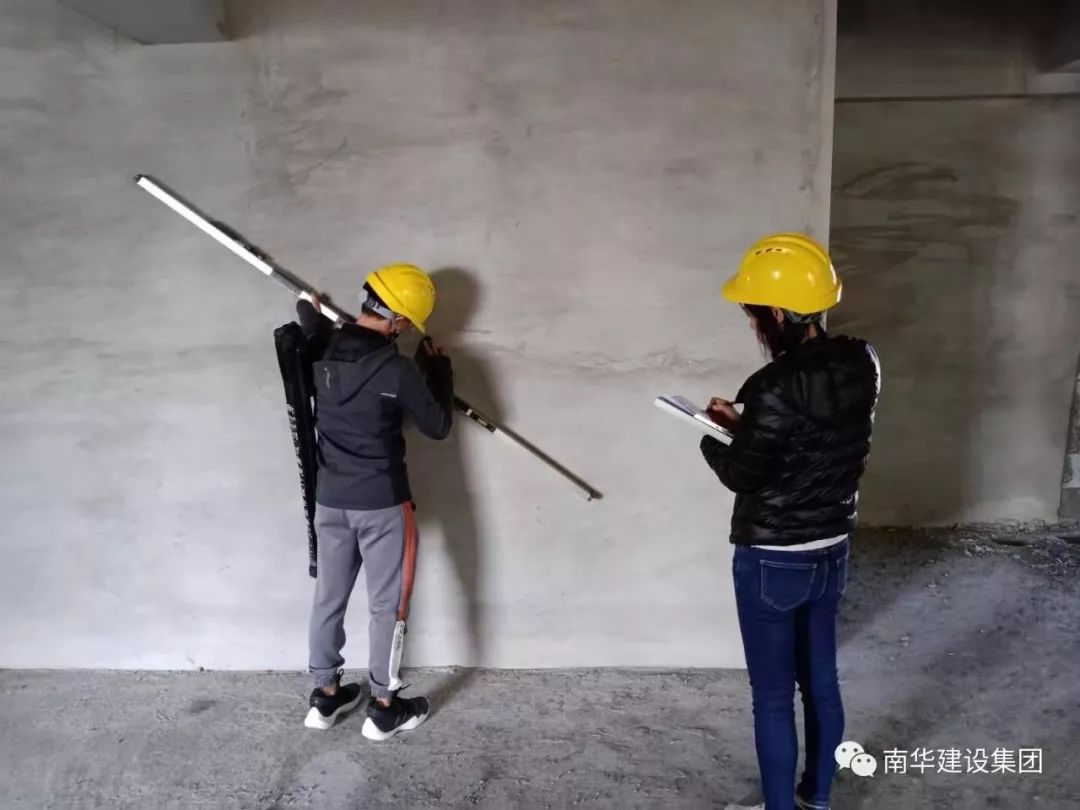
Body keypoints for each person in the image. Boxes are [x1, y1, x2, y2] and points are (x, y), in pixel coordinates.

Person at [700, 234, 881, 810]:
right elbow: (817, 438)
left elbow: (744, 474)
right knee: (822, 683)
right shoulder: (862, 360)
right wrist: (748, 425)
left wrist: (714, 436)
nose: (755, 324)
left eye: (754, 314)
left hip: (773, 560)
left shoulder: (773, 385)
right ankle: (816, 799)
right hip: (832, 549)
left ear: (777, 313)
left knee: (774, 696)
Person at [296, 263, 454, 738]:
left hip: (330, 502)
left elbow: (312, 322)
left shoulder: (320, 349)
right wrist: (439, 371)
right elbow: (438, 425)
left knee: (329, 597)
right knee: (388, 605)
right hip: (383, 505)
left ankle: (325, 698)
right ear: (400, 322)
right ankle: (384, 709)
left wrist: (308, 309)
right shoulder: (398, 370)